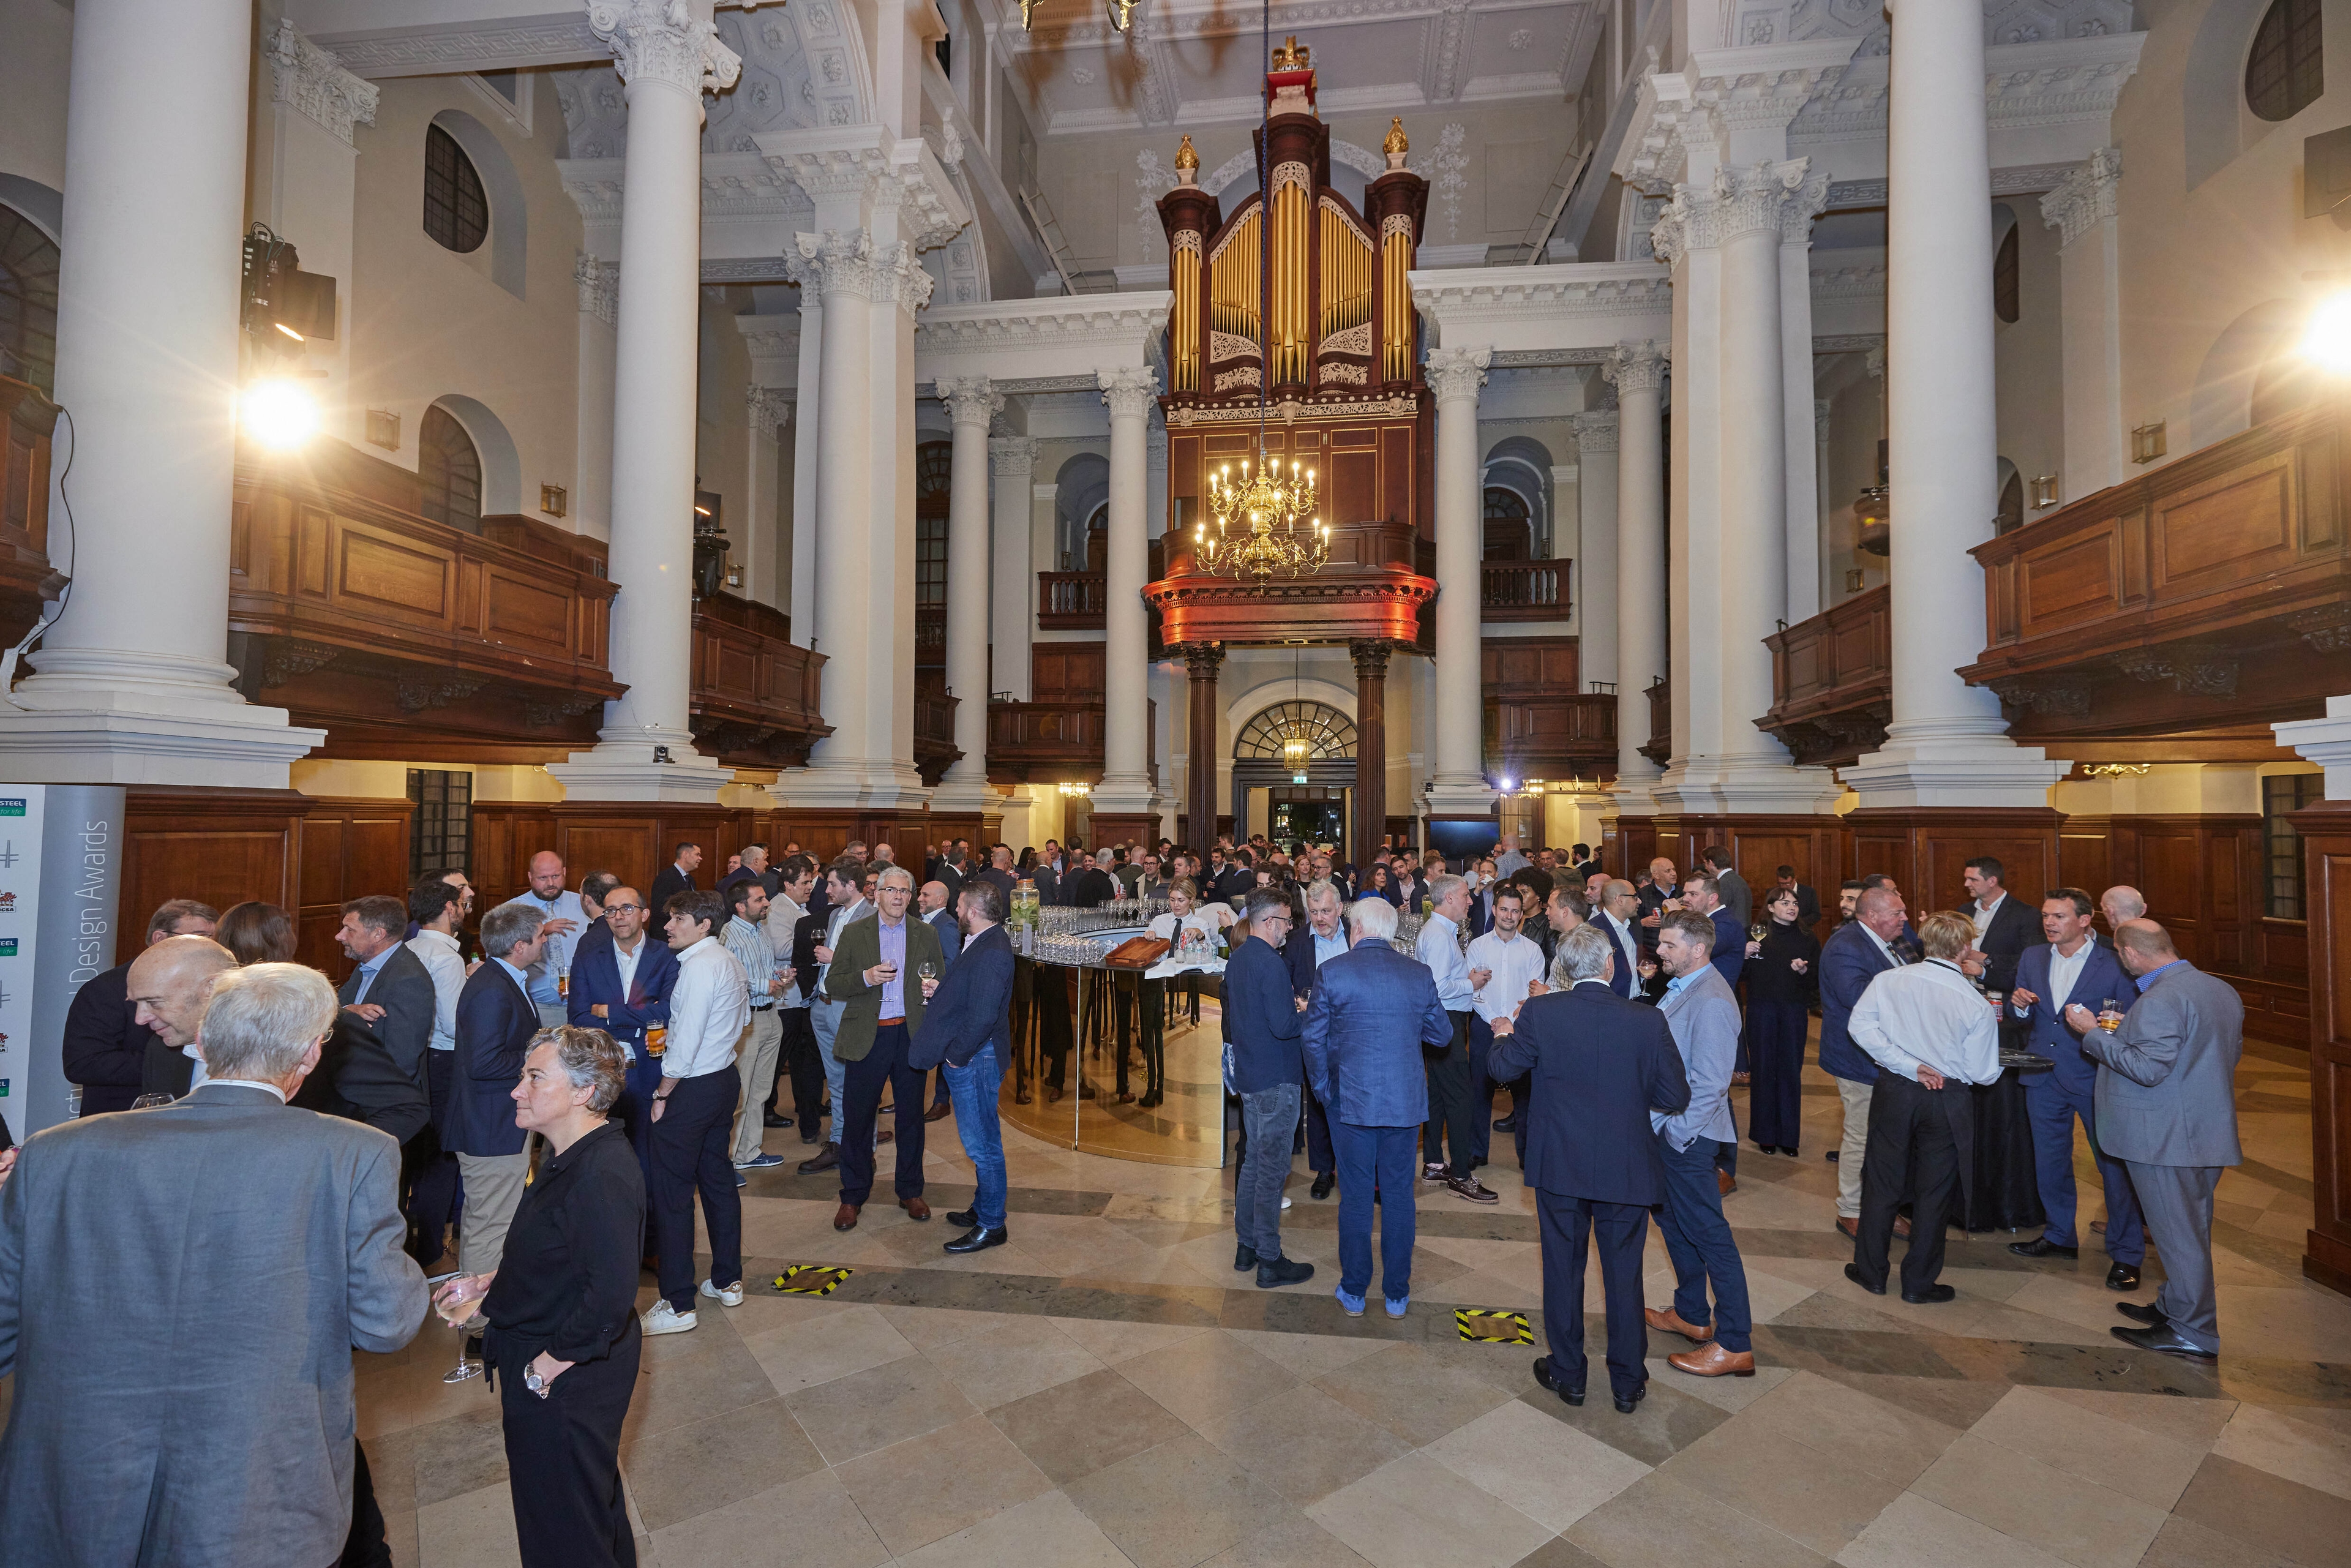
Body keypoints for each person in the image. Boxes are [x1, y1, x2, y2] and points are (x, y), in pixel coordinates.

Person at [0, 961, 428, 1568]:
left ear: (201, 1041)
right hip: (253, 1491)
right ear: (309, 1054)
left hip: (71, 1487)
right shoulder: (354, 1152)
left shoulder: (53, 1152)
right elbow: (387, 1320)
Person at [431, 1028, 642, 1567]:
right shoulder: (569, 1153)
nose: (516, 1090)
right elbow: (563, 1252)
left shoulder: (602, 1172)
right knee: (582, 1507)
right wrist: (490, 1284)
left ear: (584, 1092)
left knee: (562, 1530)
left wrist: (542, 1370)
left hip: (565, 1371)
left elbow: (609, 1297)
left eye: (534, 1076)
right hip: (551, 1357)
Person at [1488, 925, 1688, 1414]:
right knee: (1625, 1274)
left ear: (1563, 970)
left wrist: (1503, 1035)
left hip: (1560, 1165)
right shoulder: (1646, 1020)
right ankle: (1626, 1381)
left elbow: (1502, 1070)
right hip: (1625, 1167)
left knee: (1563, 1269)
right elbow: (1675, 1096)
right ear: (1609, 965)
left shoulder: (1541, 1012)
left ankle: (1569, 1372)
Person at [2088, 921, 2244, 1363]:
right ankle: (2175, 1308)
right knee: (2187, 1227)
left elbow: (2148, 1068)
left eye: (2120, 954)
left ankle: (2194, 1332)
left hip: (2165, 1139)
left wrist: (2093, 1034)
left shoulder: (2160, 998)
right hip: (2202, 1129)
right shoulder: (2218, 988)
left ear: (2132, 954)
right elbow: (2227, 1054)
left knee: (2179, 1236)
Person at [1302, 896, 1454, 1318]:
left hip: (1348, 1102)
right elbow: (1441, 1035)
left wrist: (1322, 1090)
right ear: (1390, 932)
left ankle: (1353, 1291)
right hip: (1404, 1102)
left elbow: (1312, 1039)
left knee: (1354, 1198)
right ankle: (1397, 1294)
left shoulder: (1332, 972)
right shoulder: (1418, 974)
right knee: (1400, 1196)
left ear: (1356, 929)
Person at [1844, 910, 2003, 1305]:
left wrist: (1909, 1065)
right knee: (1935, 1192)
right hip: (1947, 1099)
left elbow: (1860, 1028)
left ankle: (1870, 1272)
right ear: (1965, 948)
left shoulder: (1889, 980)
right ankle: (1918, 1283)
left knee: (1882, 1181)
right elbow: (1982, 1074)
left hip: (1896, 1091)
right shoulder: (1975, 1002)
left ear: (1924, 943)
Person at [2007, 888, 2145, 1289]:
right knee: (2049, 1161)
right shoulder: (2033, 956)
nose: (2049, 922)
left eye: (2060, 916)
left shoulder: (2114, 960)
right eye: (2047, 915)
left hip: (2095, 1075)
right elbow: (2026, 1016)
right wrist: (2018, 1004)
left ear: (2085, 920)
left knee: (2113, 1166)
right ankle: (2059, 1235)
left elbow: (2133, 1019)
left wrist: (2104, 1025)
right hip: (2043, 1076)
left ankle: (2126, 1252)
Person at [1644, 912, 1756, 1378]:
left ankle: (1734, 1342)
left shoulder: (1710, 998)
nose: (1661, 952)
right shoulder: (1686, 986)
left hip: (1689, 1136)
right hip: (1673, 1131)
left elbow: (1711, 1083)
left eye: (1669, 945)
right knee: (1675, 1224)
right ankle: (1691, 1313)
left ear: (1698, 948)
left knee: (1710, 1234)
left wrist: (1677, 1132)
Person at [641, 890, 751, 1335]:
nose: (668, 926)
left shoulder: (699, 966)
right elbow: (743, 1020)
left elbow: (684, 1039)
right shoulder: (727, 958)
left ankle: (678, 1302)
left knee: (672, 1193)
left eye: (678, 918)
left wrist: (663, 1090)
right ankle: (727, 1280)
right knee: (718, 1181)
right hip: (723, 1079)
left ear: (704, 924)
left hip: (692, 1087)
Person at [827, 866, 945, 1232]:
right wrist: (866, 977)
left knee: (911, 1118)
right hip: (868, 1035)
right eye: (890, 890)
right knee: (858, 1118)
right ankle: (853, 1195)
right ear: (876, 894)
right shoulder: (854, 932)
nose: (898, 897)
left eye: (904, 891)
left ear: (911, 897)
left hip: (909, 1036)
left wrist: (934, 988)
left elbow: (938, 975)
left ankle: (910, 1190)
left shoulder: (925, 933)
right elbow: (834, 983)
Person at [448, 904, 553, 1294]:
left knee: (493, 1220)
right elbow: (483, 1062)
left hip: (495, 1123)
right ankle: (477, 1323)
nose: (545, 941)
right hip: (490, 1127)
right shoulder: (493, 988)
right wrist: (539, 1056)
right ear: (520, 945)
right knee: (490, 1225)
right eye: (541, 936)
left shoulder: (502, 978)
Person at [915, 880, 1018, 1255]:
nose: (956, 912)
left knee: (982, 1145)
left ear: (972, 911)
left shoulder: (992, 950)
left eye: (959, 906)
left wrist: (956, 1056)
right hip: (975, 1055)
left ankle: (992, 1224)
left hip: (977, 1058)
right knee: (981, 1139)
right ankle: (982, 1208)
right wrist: (942, 990)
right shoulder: (982, 940)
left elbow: (984, 1015)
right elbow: (972, 993)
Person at [1224, 889, 1316, 1288]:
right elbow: (1283, 1026)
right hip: (1276, 1078)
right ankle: (1269, 1258)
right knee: (1271, 1171)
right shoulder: (1272, 964)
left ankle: (1246, 1245)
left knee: (1252, 1166)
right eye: (1285, 920)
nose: (1289, 927)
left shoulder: (1240, 956)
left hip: (1250, 1075)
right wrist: (1308, 1013)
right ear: (1268, 922)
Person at [567, 885, 677, 1206]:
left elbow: (668, 1010)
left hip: (652, 1066)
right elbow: (578, 1016)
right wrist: (639, 1020)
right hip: (602, 1071)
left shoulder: (667, 956)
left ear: (644, 914)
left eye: (627, 909)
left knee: (650, 1155)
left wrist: (610, 1012)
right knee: (603, 1155)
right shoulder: (588, 958)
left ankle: (649, 1235)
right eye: (610, 911)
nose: (618, 917)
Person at [61, 898, 217, 1114]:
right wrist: (174, 1062)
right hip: (120, 1121)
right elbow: (83, 1063)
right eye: (200, 938)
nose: (209, 948)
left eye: (213, 940)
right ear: (160, 938)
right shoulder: (105, 989)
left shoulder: (214, 986)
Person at [1818, 885, 1910, 1239]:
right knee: (1861, 1134)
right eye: (1897, 913)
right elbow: (1860, 999)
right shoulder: (1846, 946)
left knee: (1885, 1137)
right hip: (1858, 1057)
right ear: (1873, 916)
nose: (1904, 918)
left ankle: (1883, 1206)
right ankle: (1851, 1210)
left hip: (1887, 1057)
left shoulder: (1886, 942)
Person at [1416, 874, 1497, 1204]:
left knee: (1437, 1095)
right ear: (1449, 898)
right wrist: (1471, 984)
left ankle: (1435, 1163)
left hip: (1442, 1022)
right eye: (1465, 895)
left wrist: (1465, 979)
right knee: (1462, 1098)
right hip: (1445, 1022)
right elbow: (1435, 988)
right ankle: (1462, 1174)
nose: (1471, 900)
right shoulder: (1437, 935)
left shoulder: (1441, 932)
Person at [406, 879, 473, 1269]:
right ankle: (431, 1247)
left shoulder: (410, 947)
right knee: (442, 1157)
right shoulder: (446, 957)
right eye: (462, 904)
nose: (465, 909)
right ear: (450, 908)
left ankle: (422, 1241)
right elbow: (452, 1024)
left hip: (417, 1060)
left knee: (421, 1156)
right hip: (444, 1062)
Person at [797, 860, 872, 1174]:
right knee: (837, 1082)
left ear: (850, 886)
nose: (826, 890)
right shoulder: (835, 914)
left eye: (831, 885)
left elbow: (878, 964)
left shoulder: (873, 915)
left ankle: (860, 1149)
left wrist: (834, 957)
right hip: (823, 1004)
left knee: (859, 1080)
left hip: (849, 1007)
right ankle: (841, 1142)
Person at [1466, 884, 1547, 1168]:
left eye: (1515, 911)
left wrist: (1510, 1023)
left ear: (1521, 914)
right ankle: (1477, 1152)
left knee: (1524, 1096)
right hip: (1483, 1026)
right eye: (1504, 910)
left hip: (1520, 1030)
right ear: (1494, 910)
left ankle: (1527, 1157)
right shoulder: (1477, 946)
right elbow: (1473, 991)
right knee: (1479, 1092)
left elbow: (1533, 995)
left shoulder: (1533, 950)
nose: (1509, 916)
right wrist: (1494, 1021)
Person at [1283, 879, 1350, 1201]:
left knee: (1355, 1100)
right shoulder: (1296, 942)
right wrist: (1298, 1001)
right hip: (1316, 1033)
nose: (1320, 918)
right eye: (1314, 912)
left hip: (1354, 1032)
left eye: (1326, 911)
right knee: (1320, 1101)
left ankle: (1356, 1168)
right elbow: (1285, 984)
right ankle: (1324, 1170)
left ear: (1339, 908)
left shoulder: (1357, 934)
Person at [1742, 886, 1820, 1156]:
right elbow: (1740, 976)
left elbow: (1816, 981)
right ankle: (1765, 1134)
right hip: (1761, 1010)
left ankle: (1788, 1136)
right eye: (1785, 903)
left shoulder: (1806, 937)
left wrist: (1805, 970)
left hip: (1793, 1010)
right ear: (1771, 907)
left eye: (1795, 903)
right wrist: (1745, 956)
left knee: (1790, 1071)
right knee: (1763, 1070)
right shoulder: (1756, 933)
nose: (1792, 907)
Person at [335, 894, 438, 1098]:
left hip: (380, 1101)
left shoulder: (409, 980)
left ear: (378, 934)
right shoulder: (367, 965)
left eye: (350, 929)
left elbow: (401, 1063)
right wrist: (347, 1011)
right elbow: (338, 1004)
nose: (340, 936)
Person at [720, 880, 790, 1175]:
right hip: (747, 1021)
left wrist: (779, 976)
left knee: (760, 1090)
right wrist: (765, 984)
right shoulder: (729, 935)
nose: (766, 903)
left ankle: (749, 1151)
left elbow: (759, 969)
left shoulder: (760, 930)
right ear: (740, 906)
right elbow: (729, 978)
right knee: (742, 1092)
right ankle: (729, 1158)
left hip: (770, 1015)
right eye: (759, 899)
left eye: (765, 898)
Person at [765, 857, 826, 1142]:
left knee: (800, 1055)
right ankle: (767, 1107)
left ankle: (806, 1105)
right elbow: (781, 947)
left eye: (812, 881)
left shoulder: (797, 907)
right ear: (788, 885)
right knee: (780, 1055)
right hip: (785, 997)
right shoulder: (779, 908)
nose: (810, 887)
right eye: (804, 882)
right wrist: (815, 945)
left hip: (796, 993)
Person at [498, 853, 588, 1029]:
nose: (551, 884)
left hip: (581, 1007)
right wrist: (542, 930)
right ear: (530, 877)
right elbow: (500, 956)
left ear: (564, 872)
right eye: (543, 878)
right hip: (537, 1007)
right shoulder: (511, 910)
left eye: (556, 876)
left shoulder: (583, 904)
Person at [916, 879, 964, 1122]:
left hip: (937, 998)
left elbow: (950, 964)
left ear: (940, 900)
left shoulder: (945, 926)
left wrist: (925, 976)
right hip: (921, 997)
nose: (919, 899)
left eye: (925, 895)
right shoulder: (922, 922)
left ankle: (941, 1101)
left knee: (941, 1050)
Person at [1962, 855, 2038, 1000]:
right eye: (1966, 878)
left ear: (1992, 881)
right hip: (1964, 993)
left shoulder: (2026, 914)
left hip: (2000, 996)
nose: (1966, 884)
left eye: (1973, 880)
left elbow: (2029, 959)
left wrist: (1987, 960)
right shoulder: (1964, 911)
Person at [1679, 874, 1745, 992]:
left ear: (1712, 898)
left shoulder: (1727, 924)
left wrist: (1677, 918)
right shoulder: (1702, 920)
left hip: (1715, 996)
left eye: (1693, 894)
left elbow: (1696, 951)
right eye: (1685, 893)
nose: (1685, 899)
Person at [1590, 880, 1644, 999]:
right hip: (1611, 1005)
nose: (1639, 901)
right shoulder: (1593, 931)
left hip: (1638, 1002)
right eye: (1635, 897)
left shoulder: (1634, 924)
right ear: (1620, 900)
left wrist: (1642, 972)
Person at [1697, 846, 1750, 928]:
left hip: (1730, 931)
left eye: (1705, 863)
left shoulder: (1724, 883)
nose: (1705, 867)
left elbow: (1717, 912)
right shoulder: (1738, 879)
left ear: (1711, 863)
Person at [650, 841, 703, 912]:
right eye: (697, 855)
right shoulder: (665, 878)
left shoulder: (691, 880)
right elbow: (661, 908)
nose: (700, 858)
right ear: (685, 854)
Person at [1773, 865, 1821, 929]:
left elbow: (1816, 915)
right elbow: (1767, 915)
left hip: (1803, 931)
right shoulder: (1772, 893)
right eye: (1781, 884)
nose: (1784, 887)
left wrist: (1797, 923)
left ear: (1794, 879)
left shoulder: (1809, 892)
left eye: (1788, 883)